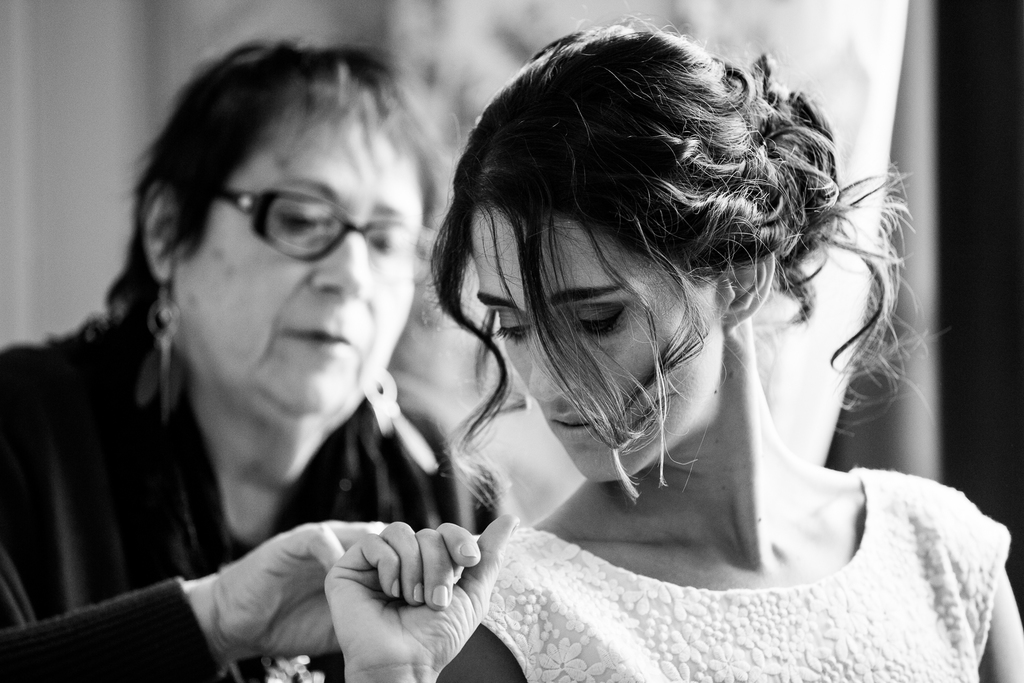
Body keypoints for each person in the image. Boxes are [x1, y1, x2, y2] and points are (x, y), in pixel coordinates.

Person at [323, 24, 1024, 683]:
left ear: (740, 278)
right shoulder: (502, 629)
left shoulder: (940, 555)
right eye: (513, 326)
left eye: (596, 319)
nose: (546, 380)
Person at [0, 41, 477, 682]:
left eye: (388, 241)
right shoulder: (21, 431)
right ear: (168, 232)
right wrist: (213, 619)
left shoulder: (441, 478)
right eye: (303, 219)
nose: (352, 275)